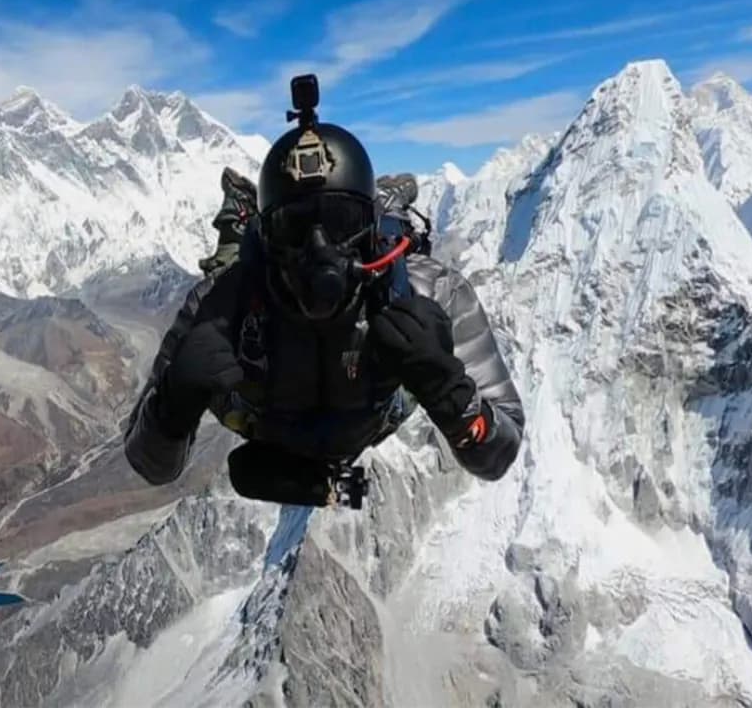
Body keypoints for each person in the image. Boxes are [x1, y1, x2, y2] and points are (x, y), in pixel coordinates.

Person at [124, 75, 524, 509]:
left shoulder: (430, 293)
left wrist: (451, 392)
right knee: (251, 471)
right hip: (282, 433)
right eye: (294, 227)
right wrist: (173, 401)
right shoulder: (222, 305)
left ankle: (384, 201)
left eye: (340, 223)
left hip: (354, 418)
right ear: (267, 235)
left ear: (370, 231)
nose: (319, 248)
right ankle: (253, 223)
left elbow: (499, 451)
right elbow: (150, 464)